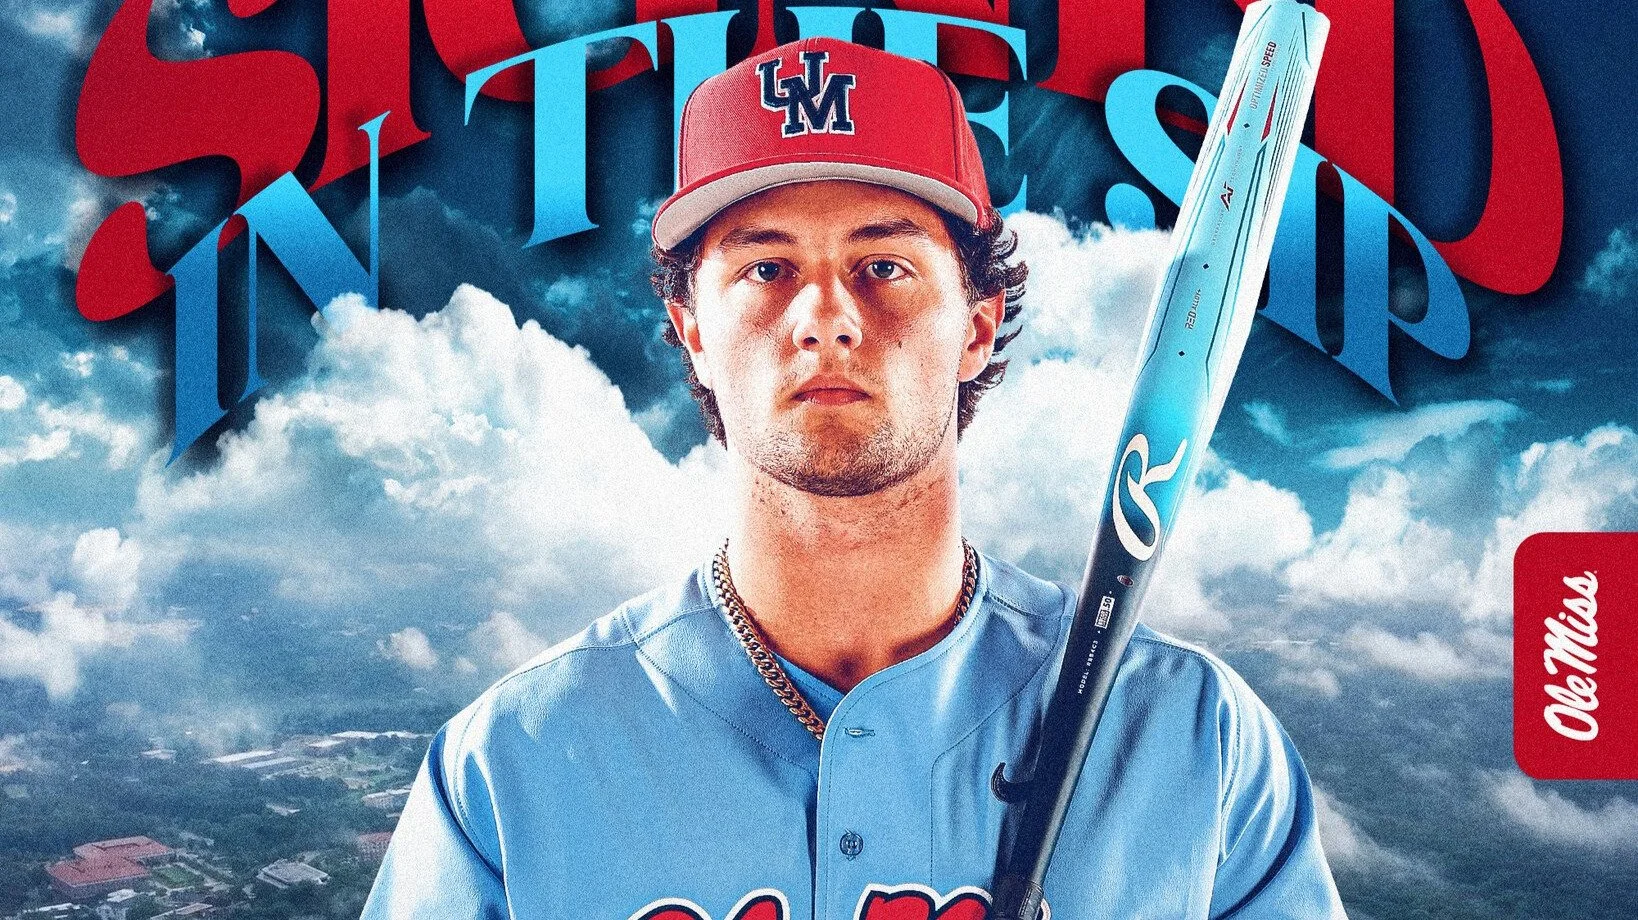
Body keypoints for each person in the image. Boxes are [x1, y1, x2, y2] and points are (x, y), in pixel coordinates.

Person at [362, 37, 1344, 920]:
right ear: (692, 332)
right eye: (767, 269)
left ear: (978, 323)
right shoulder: (510, 772)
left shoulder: (1192, 745)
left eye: (883, 265)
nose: (824, 315)